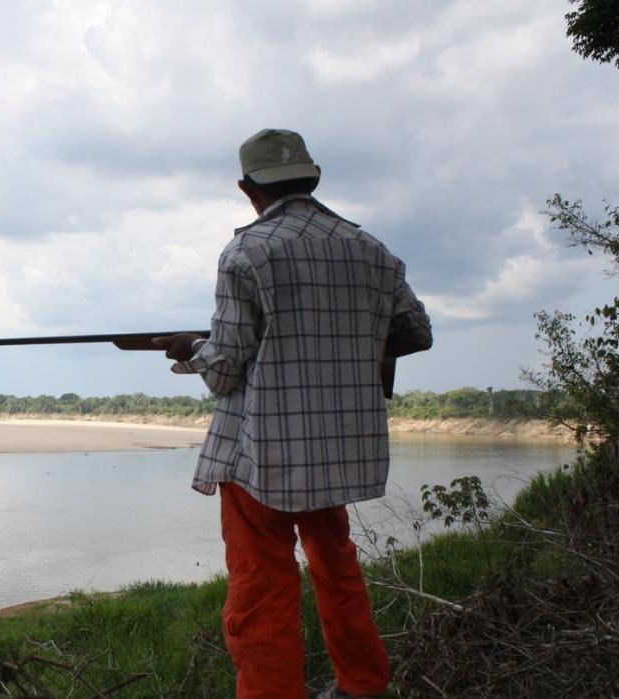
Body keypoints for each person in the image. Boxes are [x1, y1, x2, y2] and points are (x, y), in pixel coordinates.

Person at [153, 128, 432, 699]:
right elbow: (414, 333)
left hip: (263, 455)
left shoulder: (247, 251)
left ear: (247, 188)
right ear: (313, 178)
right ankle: (363, 685)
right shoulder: (372, 249)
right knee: (337, 568)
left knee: (262, 588)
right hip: (337, 449)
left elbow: (226, 369)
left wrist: (190, 351)